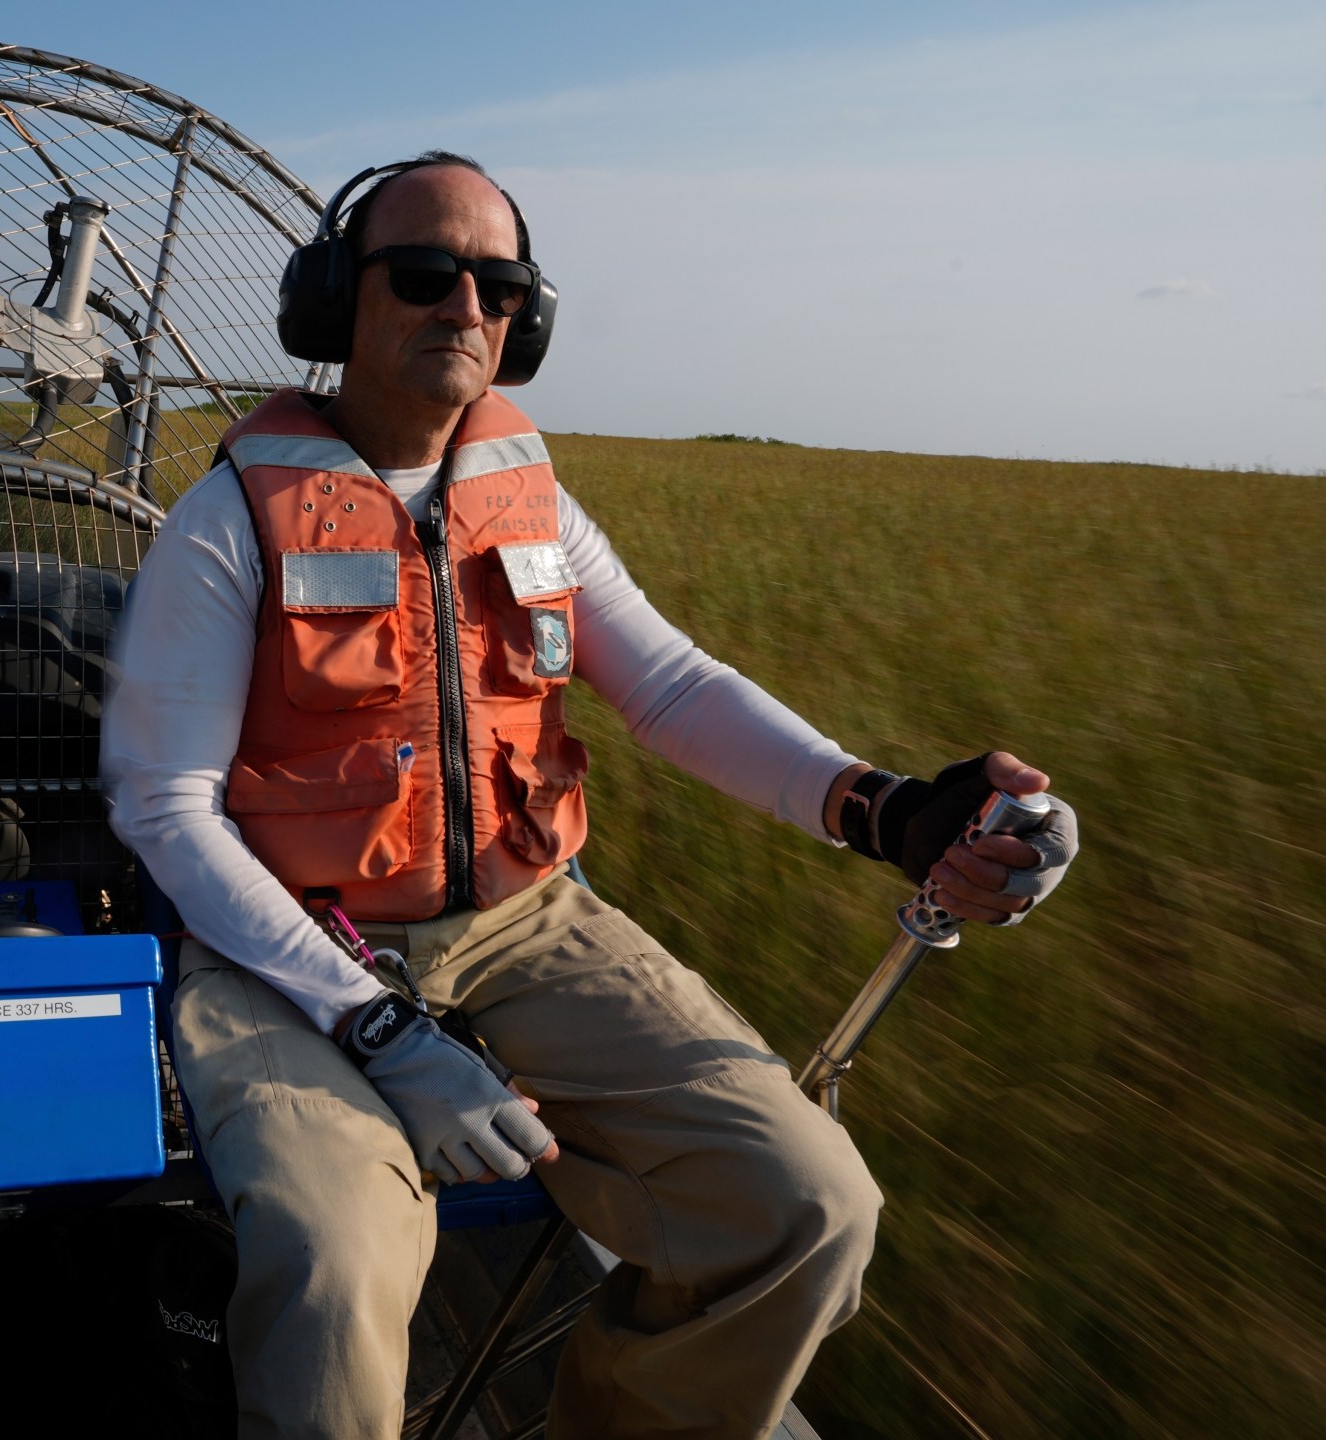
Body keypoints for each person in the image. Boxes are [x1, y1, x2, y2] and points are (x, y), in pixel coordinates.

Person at [102, 152, 1080, 1440]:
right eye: (424, 273)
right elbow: (167, 809)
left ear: (526, 321)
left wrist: (884, 809)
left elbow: (670, 688)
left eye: (499, 284)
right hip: (292, 952)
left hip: (527, 923)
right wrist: (379, 1027)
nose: (465, 306)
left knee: (808, 1208)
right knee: (339, 1272)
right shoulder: (229, 523)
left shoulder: (536, 504)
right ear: (337, 297)